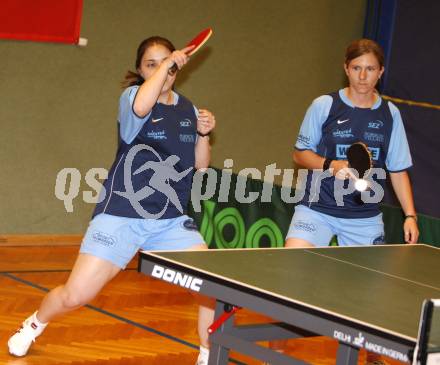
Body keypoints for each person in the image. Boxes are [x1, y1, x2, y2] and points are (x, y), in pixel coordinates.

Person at [8, 36, 216, 365]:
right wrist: (165, 65)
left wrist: (204, 134)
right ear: (141, 70)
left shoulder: (189, 109)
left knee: (213, 287)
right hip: (121, 214)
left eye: (167, 62)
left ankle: (207, 354)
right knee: (76, 295)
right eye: (152, 63)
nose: (163, 69)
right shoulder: (132, 98)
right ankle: (34, 324)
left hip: (171, 220)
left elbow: (200, 165)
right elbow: (141, 106)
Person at [270, 38, 419, 365]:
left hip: (364, 218)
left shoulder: (390, 114)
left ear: (380, 72)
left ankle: (374, 357)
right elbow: (299, 153)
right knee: (289, 279)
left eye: (370, 69)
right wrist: (328, 165)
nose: (363, 76)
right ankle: (275, 355)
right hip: (316, 209)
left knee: (371, 298)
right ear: (346, 69)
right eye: (356, 68)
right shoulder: (324, 106)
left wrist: (410, 215)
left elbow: (397, 170)